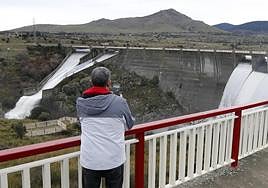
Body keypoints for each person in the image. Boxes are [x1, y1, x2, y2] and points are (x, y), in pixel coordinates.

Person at [76, 66, 134, 188]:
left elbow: (82, 123)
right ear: (109, 82)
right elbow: (130, 124)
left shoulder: (81, 103)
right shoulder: (119, 102)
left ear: (91, 82)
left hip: (90, 160)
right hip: (114, 159)